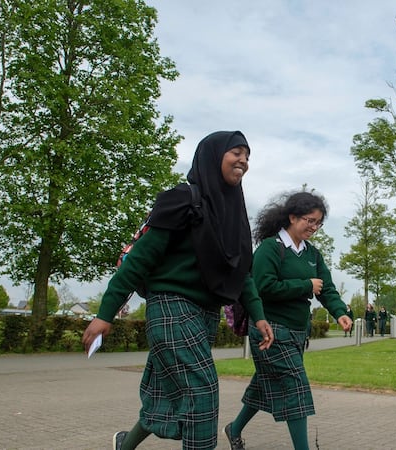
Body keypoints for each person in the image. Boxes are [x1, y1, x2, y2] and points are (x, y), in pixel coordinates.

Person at [81, 131, 275, 450]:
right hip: (171, 307)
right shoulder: (182, 199)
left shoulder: (235, 215)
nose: (243, 160)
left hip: (205, 314)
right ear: (213, 156)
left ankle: (122, 445)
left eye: (247, 155)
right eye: (236, 152)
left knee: (164, 397)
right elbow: (140, 259)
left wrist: (258, 316)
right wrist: (106, 314)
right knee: (202, 390)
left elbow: (243, 273)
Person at [224, 191, 352, 450]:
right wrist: (305, 286)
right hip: (270, 331)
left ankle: (234, 429)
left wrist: (340, 312)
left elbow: (325, 288)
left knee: (264, 386)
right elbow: (262, 286)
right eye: (309, 220)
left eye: (319, 223)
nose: (314, 227)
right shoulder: (271, 248)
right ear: (292, 217)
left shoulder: (312, 254)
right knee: (296, 389)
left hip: (296, 333)